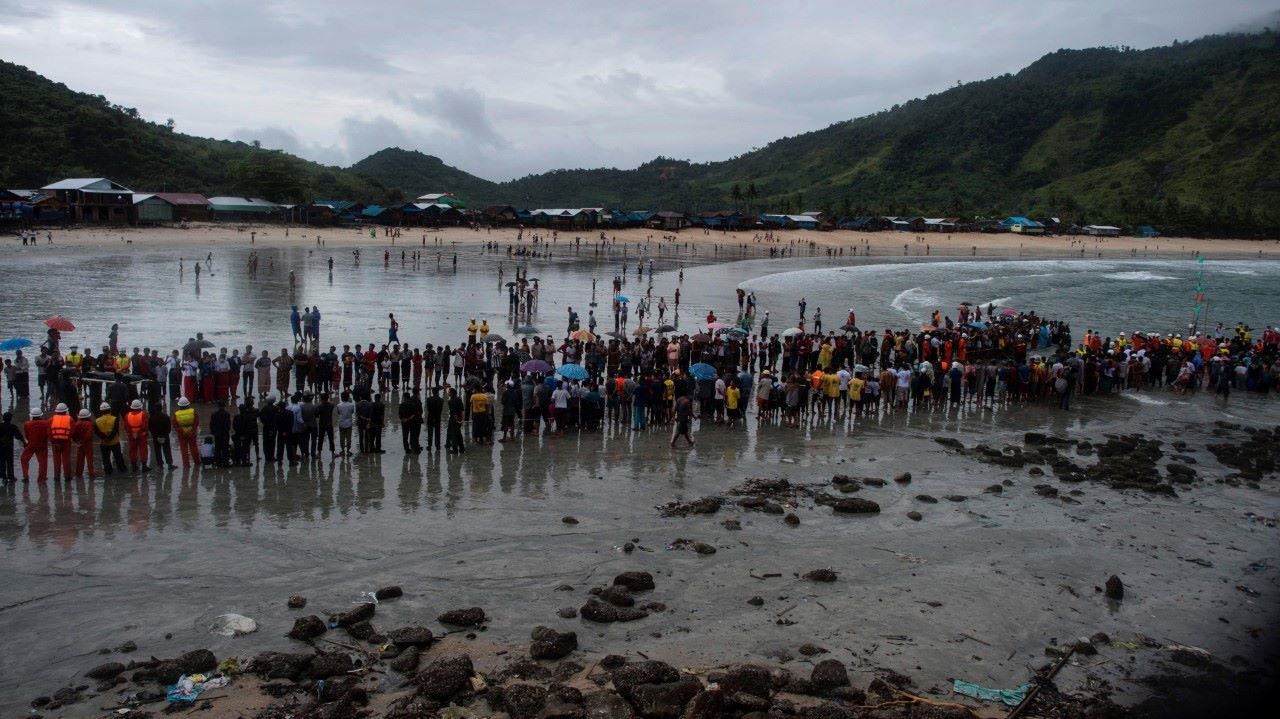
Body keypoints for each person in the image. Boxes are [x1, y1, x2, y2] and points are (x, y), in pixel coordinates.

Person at [94, 403, 127, 475]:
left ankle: (108, 471)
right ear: (109, 410)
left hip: (104, 443)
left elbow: (96, 431)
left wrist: (104, 438)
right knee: (118, 456)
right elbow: (115, 430)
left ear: (101, 411)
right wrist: (110, 438)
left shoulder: (97, 421)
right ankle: (122, 469)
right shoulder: (114, 418)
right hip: (114, 442)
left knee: (106, 458)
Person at [20, 407, 50, 482]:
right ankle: (41, 478)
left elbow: (26, 435)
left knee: (24, 459)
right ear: (40, 415)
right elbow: (48, 434)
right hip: (42, 445)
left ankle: (25, 476)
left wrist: (30, 441)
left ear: (32, 416)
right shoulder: (46, 423)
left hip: (31, 444)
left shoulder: (27, 424)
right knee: (43, 462)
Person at [172, 397, 200, 467]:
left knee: (184, 450)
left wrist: (181, 432)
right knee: (194, 448)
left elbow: (175, 425)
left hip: (182, 434)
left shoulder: (176, 414)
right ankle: (197, 462)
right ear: (188, 405)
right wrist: (192, 430)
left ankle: (186, 464)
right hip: (192, 433)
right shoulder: (193, 411)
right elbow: (196, 422)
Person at [48, 403, 73, 481]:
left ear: (56, 411)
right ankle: (67, 477)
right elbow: (73, 431)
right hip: (66, 442)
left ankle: (57, 477)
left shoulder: (51, 419)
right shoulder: (70, 419)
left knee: (56, 461)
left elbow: (48, 432)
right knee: (66, 460)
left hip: (55, 443)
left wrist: (53, 442)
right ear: (66, 411)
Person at [124, 399, 149, 471]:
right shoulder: (143, 414)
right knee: (143, 450)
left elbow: (126, 426)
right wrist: (139, 432)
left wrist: (132, 432)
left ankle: (134, 466)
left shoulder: (127, 415)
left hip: (132, 435)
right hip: (142, 435)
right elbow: (145, 426)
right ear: (140, 407)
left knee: (132, 450)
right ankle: (144, 466)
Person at [71, 408, 95, 479]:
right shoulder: (89, 424)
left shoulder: (76, 424)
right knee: (90, 460)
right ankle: (91, 474)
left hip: (79, 444)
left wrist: (77, 441)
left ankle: (79, 474)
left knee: (79, 460)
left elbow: (73, 434)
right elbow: (89, 434)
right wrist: (83, 441)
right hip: (88, 444)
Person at [149, 403, 174, 468]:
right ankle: (169, 464)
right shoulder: (166, 417)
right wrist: (165, 435)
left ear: (155, 409)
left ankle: (160, 465)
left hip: (156, 437)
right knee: (167, 450)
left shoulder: (152, 418)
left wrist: (155, 436)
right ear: (161, 408)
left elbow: (151, 428)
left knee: (157, 451)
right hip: (165, 436)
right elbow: (169, 427)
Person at [0, 411, 22, 481]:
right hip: (9, 447)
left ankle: (3, 476)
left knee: (2, 462)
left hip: (0, 447)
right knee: (10, 462)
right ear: (11, 419)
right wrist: (24, 443)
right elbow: (19, 436)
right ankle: (11, 476)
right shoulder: (13, 427)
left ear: (3, 418)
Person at [336, 391, 356, 457]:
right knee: (348, 437)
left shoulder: (338, 405)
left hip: (341, 423)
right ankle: (348, 451)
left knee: (342, 437)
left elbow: (338, 413)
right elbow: (352, 412)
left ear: (341, 397)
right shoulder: (351, 405)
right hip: (349, 423)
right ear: (348, 397)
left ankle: (342, 450)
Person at [425, 387, 443, 452]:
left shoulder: (429, 399)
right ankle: (437, 446)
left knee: (430, 432)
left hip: (430, 417)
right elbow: (440, 410)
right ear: (438, 392)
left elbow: (428, 409)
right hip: (437, 417)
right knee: (437, 432)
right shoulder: (441, 400)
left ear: (432, 392)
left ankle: (429, 445)